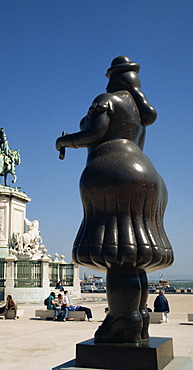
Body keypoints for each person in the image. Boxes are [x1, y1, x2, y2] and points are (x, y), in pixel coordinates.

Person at [56, 56, 174, 343]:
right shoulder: (138, 112)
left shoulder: (107, 99)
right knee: (134, 254)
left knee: (116, 251)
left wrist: (63, 142)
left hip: (112, 170)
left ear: (113, 78)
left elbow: (94, 133)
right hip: (148, 173)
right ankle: (139, 317)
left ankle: (122, 318)